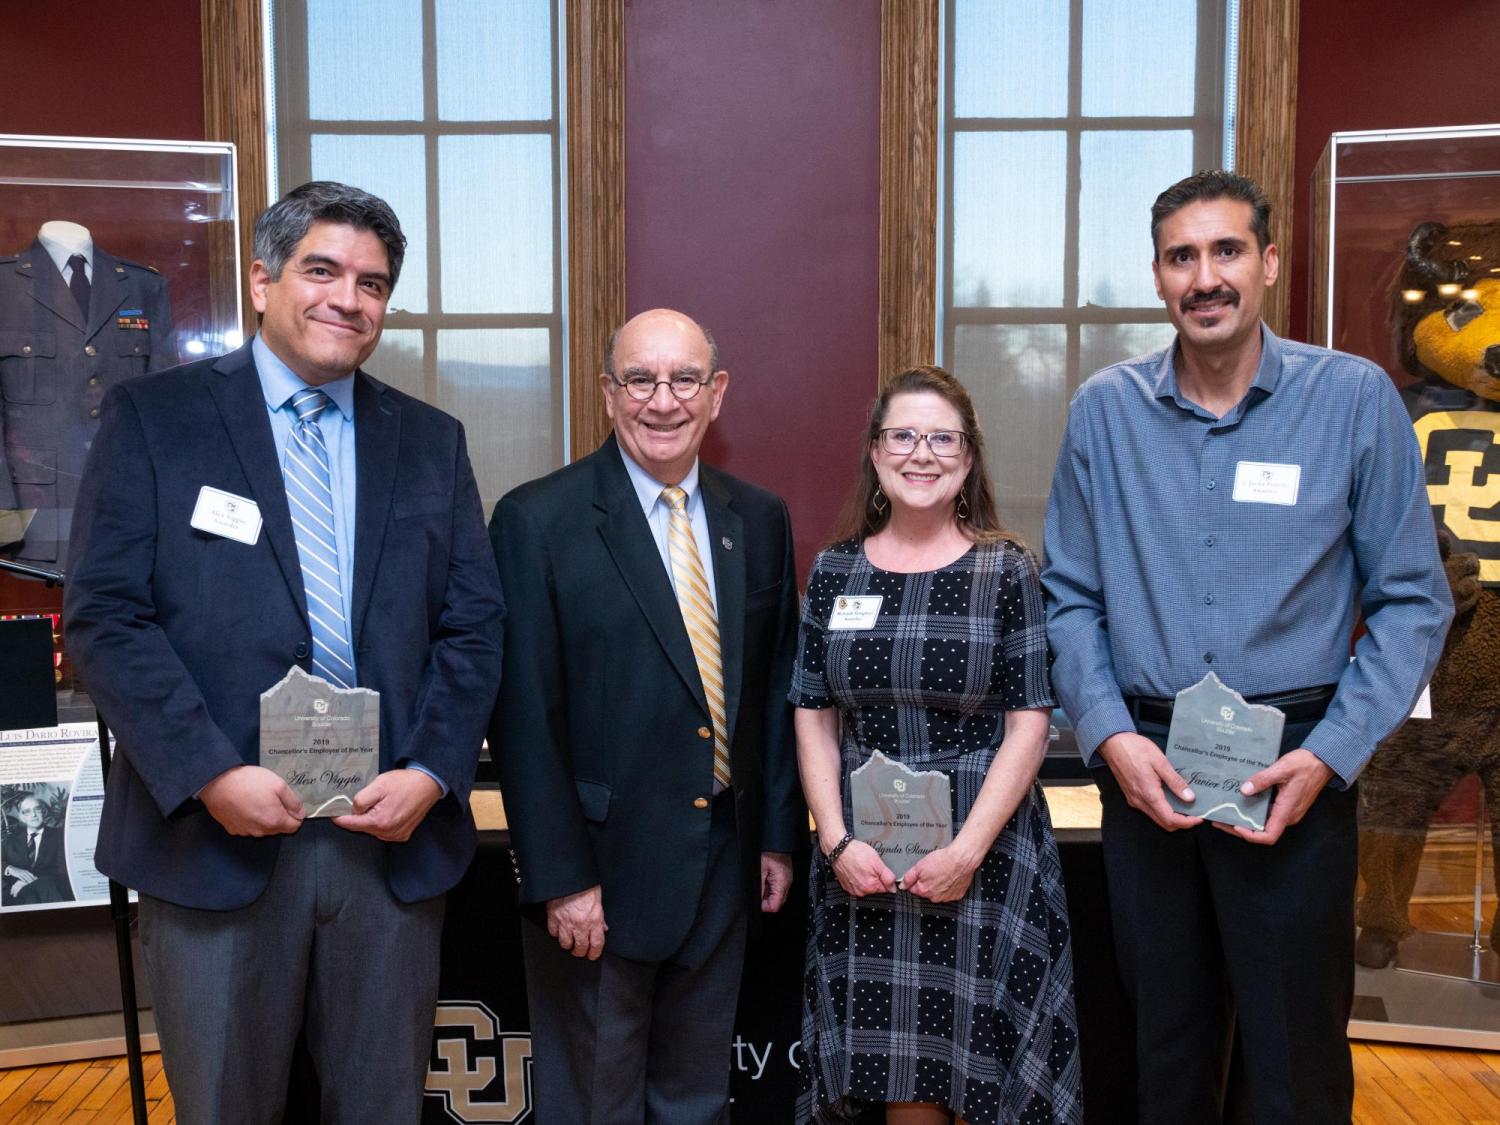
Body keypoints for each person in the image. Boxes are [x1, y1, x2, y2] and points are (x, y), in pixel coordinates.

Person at [63, 181, 505, 1123]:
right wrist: (209, 770)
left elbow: (474, 626)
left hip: (384, 843)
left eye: (373, 283)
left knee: (380, 1105)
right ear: (262, 281)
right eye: (323, 269)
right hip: (214, 841)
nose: (349, 297)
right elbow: (104, 616)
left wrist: (432, 768)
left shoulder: (430, 442)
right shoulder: (156, 419)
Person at [1042, 170, 1453, 1121]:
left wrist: (1331, 755)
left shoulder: (1352, 401)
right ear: (1158, 277)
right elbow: (1069, 597)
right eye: (1183, 256)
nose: (1206, 276)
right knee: (1167, 1050)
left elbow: (1412, 603)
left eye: (1227, 250)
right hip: (1146, 773)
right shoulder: (1105, 411)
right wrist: (1108, 735)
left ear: (1268, 262)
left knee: (1295, 1059)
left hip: (1297, 771)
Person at [488, 307, 806, 1123]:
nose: (662, 401)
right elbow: (523, 716)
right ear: (608, 392)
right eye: (640, 379)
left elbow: (774, 687)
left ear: (716, 393)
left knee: (696, 1101)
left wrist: (774, 832)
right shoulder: (538, 522)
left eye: (684, 379)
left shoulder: (757, 520)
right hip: (598, 876)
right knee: (596, 1101)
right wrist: (561, 879)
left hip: (725, 870)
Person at [793, 365, 1082, 1125]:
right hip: (869, 864)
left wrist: (967, 851)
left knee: (985, 1075)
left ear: (969, 456)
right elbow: (813, 711)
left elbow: (1031, 718)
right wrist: (835, 842)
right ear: (877, 453)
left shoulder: (1006, 568)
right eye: (904, 436)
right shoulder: (834, 571)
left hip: (985, 855)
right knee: (901, 1082)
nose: (923, 453)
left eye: (942, 438)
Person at [2, 793, 74, 905]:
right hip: (15, 894)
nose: (33, 815)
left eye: (37, 809)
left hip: (47, 890)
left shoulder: (59, 836)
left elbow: (63, 870)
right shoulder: (11, 839)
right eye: (27, 811)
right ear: (22, 817)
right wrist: (9, 868)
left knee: (43, 887)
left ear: (44, 812)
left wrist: (27, 881)